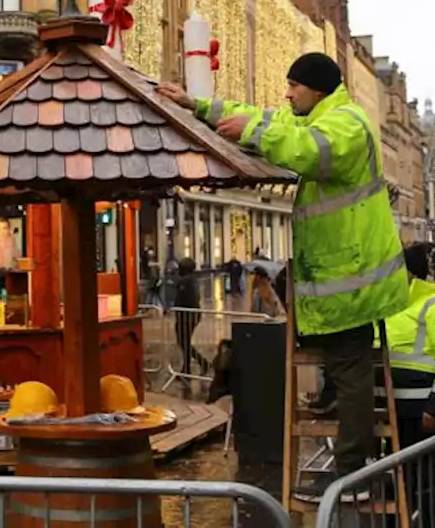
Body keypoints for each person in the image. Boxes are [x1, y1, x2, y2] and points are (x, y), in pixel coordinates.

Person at [159, 52, 408, 502]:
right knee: (344, 371)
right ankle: (350, 458)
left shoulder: (345, 125)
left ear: (317, 88)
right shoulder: (323, 117)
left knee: (351, 373)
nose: (287, 93)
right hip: (341, 281)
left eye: (294, 85)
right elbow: (261, 116)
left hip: (352, 282)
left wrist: (253, 133)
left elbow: (305, 150)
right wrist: (197, 105)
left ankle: (352, 477)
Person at [378, 244, 435, 523]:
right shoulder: (388, 306)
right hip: (391, 414)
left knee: (429, 485)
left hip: (423, 415)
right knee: (397, 485)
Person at [173, 257, 208, 376]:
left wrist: (175, 309)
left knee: (183, 342)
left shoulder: (184, 281)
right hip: (192, 314)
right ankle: (187, 367)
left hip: (186, 315)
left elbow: (180, 299)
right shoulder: (193, 279)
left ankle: (201, 363)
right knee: (184, 341)